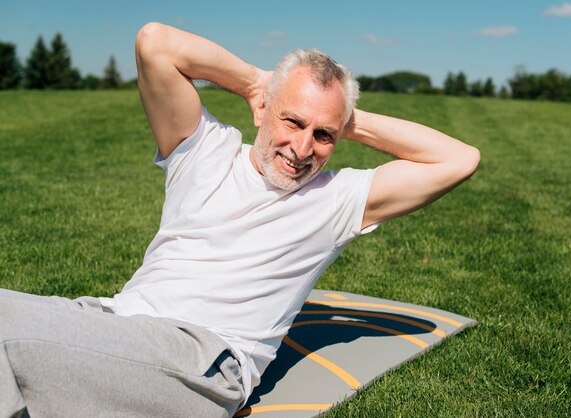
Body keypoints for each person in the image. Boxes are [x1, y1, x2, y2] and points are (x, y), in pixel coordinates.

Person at [0, 22, 480, 418]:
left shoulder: (336, 199)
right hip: (112, 322)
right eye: (292, 121)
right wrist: (254, 81)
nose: (302, 149)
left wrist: (344, 116)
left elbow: (458, 159)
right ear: (263, 108)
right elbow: (155, 42)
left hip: (199, 361)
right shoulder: (204, 147)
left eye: (324, 135)